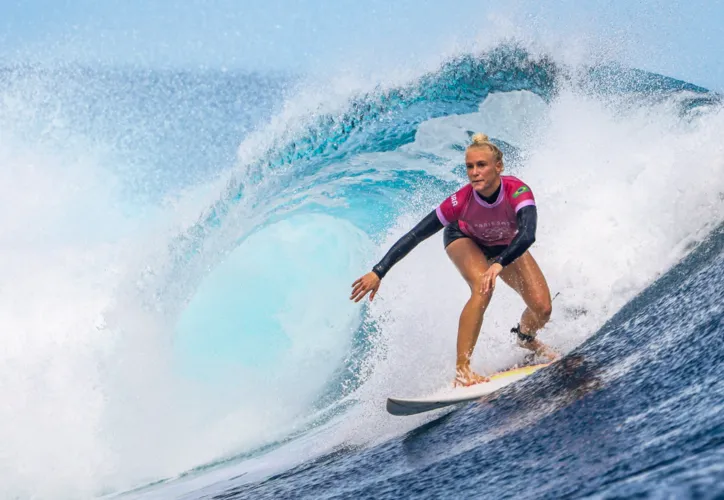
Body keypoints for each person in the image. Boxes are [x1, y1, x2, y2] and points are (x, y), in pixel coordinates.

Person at [350, 133, 558, 387]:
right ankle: (463, 370)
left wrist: (499, 262)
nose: (474, 172)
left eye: (481, 165)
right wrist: (379, 271)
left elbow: (527, 234)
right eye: (469, 167)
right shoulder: (460, 202)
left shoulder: (517, 191)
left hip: (505, 246)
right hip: (465, 238)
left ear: (498, 167)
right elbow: (416, 235)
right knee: (483, 286)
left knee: (542, 308)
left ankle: (525, 338)